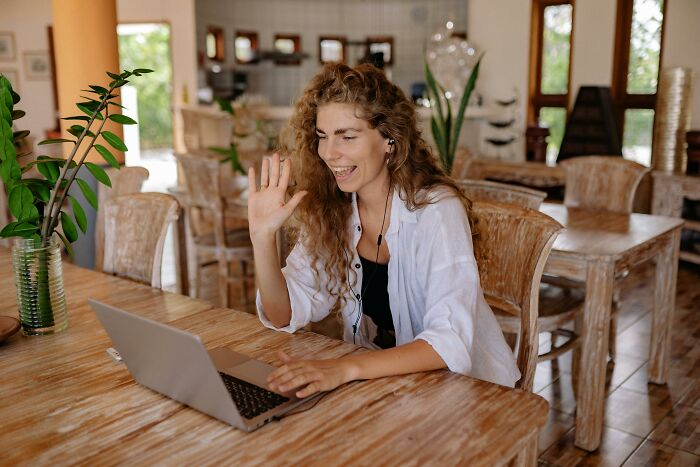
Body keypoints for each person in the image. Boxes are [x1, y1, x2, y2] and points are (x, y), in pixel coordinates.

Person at [247, 63, 519, 398]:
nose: (330, 153)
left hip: (470, 393)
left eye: (347, 136)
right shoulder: (334, 210)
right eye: (323, 137)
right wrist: (262, 240)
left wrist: (346, 369)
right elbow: (282, 312)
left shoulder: (436, 211)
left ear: (390, 139)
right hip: (390, 387)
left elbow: (449, 342)